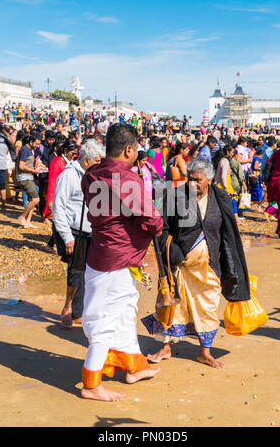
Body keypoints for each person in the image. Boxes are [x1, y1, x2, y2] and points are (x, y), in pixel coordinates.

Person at [80, 123, 163, 402]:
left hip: (104, 253)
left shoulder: (92, 174)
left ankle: (134, 366)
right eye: (137, 148)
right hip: (117, 257)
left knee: (127, 309)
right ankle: (91, 384)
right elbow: (150, 218)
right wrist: (158, 225)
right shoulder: (125, 178)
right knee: (104, 318)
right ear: (129, 149)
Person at [142, 158, 250, 368]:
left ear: (209, 179)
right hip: (179, 266)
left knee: (208, 308)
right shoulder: (174, 196)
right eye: (189, 179)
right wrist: (173, 253)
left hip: (209, 267)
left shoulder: (220, 198)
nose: (192, 184)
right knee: (174, 306)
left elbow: (228, 234)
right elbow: (161, 229)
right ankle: (165, 347)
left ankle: (204, 352)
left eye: (197, 180)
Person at [53, 139, 105, 328]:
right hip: (75, 232)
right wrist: (67, 237)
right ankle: (68, 307)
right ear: (87, 160)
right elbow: (58, 207)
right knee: (75, 273)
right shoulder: (68, 175)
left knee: (91, 273)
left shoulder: (95, 176)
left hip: (93, 230)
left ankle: (80, 311)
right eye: (98, 160)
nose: (100, 164)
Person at [16, 133, 43, 228]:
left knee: (32, 199)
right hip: (24, 178)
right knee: (36, 199)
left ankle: (28, 221)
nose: (37, 146)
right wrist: (34, 171)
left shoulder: (30, 150)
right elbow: (21, 166)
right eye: (36, 144)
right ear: (31, 142)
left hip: (29, 177)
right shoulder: (24, 150)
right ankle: (22, 217)